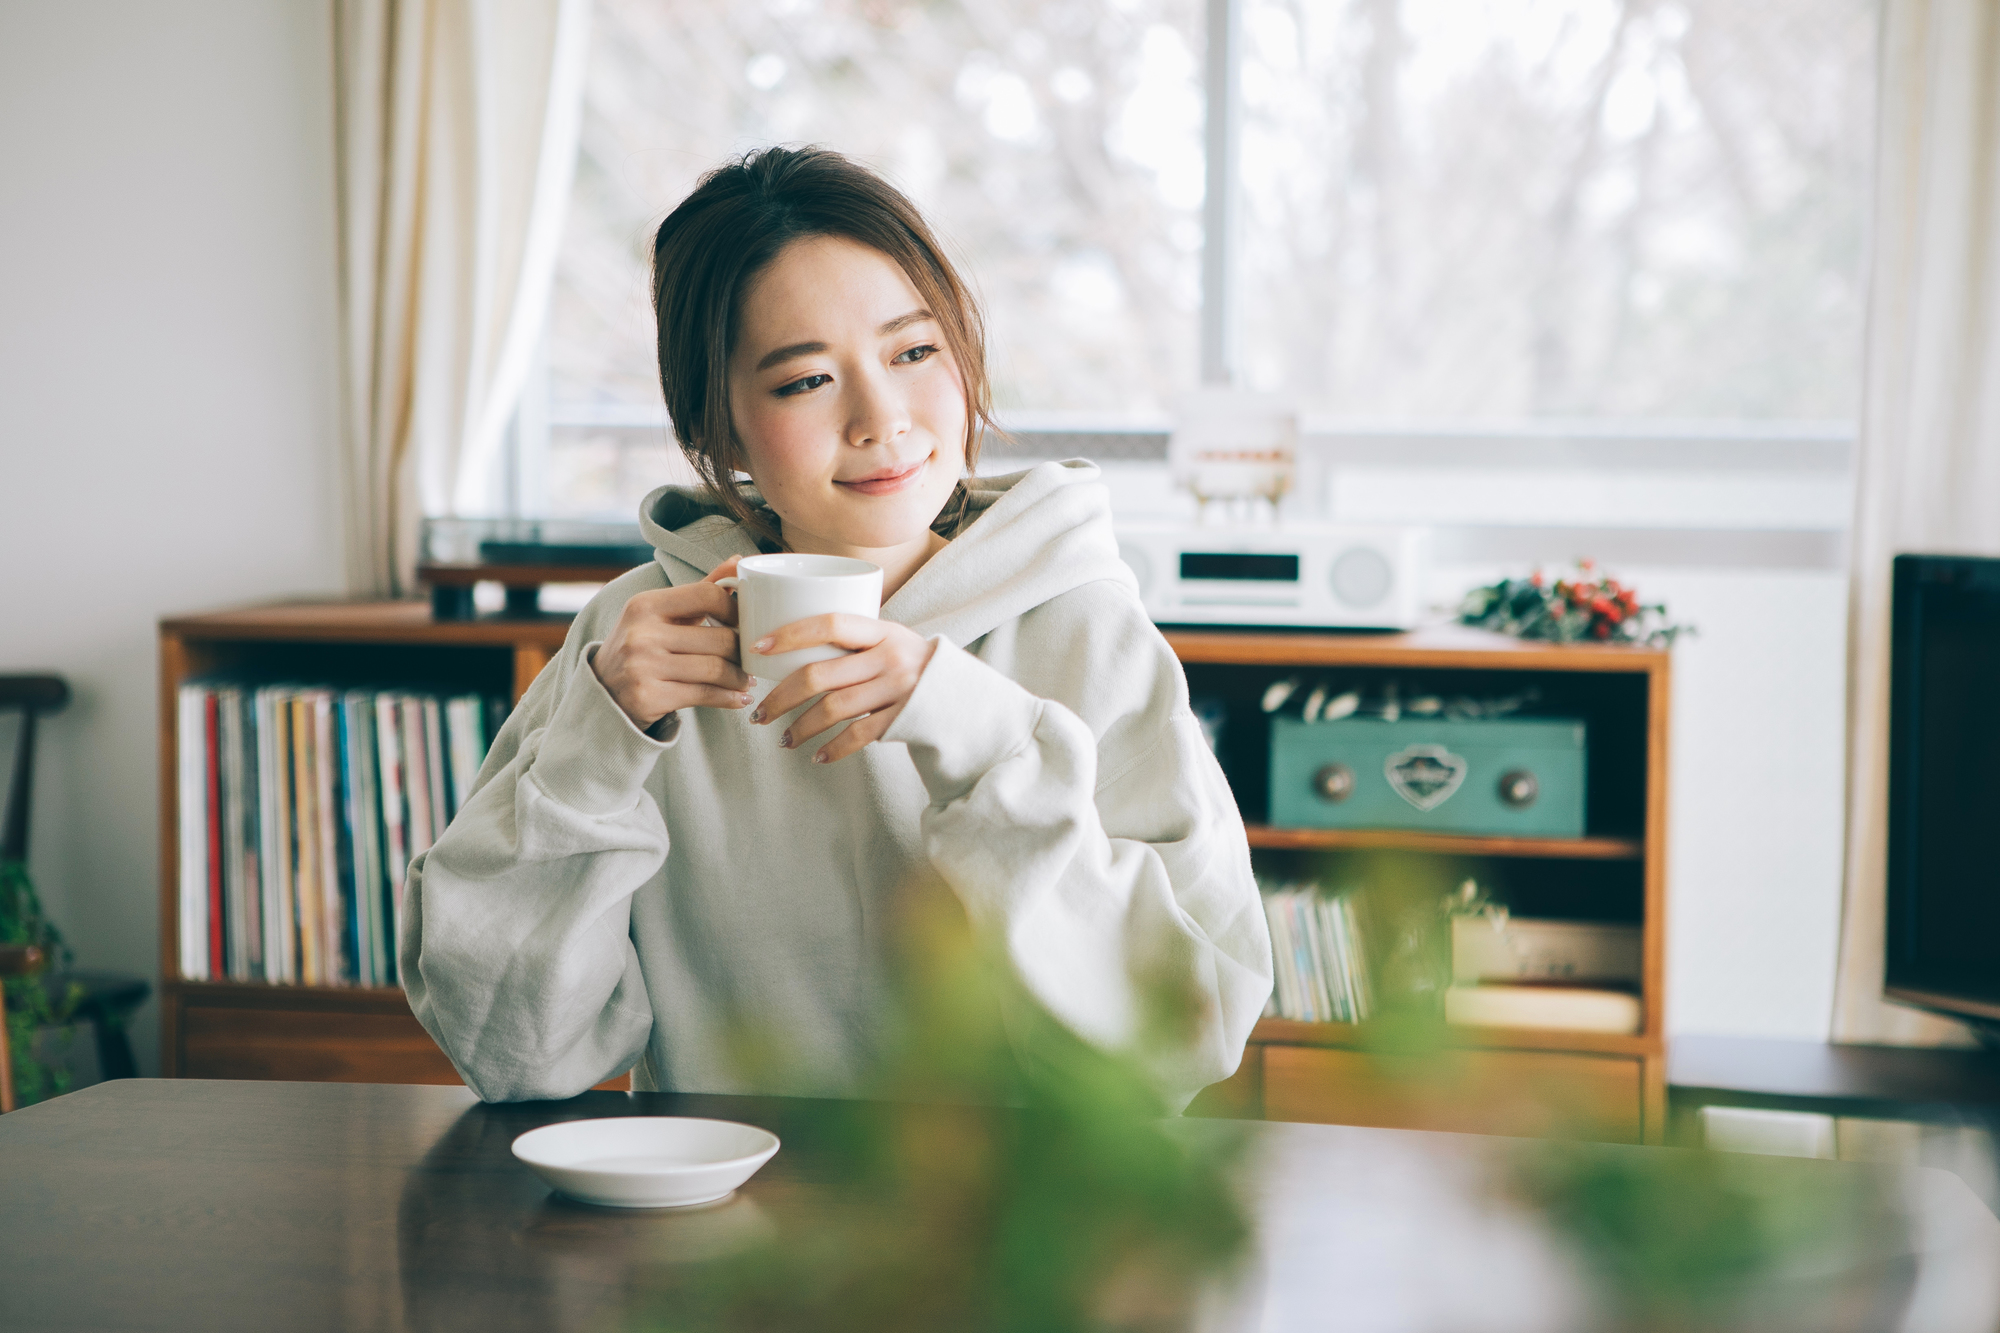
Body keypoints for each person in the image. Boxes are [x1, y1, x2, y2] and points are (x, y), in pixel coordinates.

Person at [400, 146, 1272, 1110]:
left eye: (913, 352)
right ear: (718, 426)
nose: (882, 418)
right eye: (805, 380)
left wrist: (988, 742)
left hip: (1024, 1230)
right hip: (723, 1225)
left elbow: (1186, 1039)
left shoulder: (1086, 629)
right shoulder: (632, 641)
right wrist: (593, 747)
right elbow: (511, 1051)